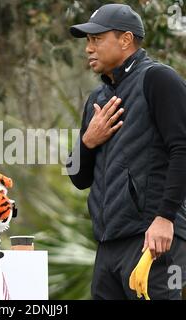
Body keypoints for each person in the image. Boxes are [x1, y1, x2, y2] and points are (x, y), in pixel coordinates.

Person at [67, 3, 186, 299]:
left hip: (153, 239)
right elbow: (78, 177)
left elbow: (182, 149)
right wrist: (87, 142)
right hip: (108, 246)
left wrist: (164, 218)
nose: (88, 49)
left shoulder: (158, 79)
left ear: (125, 40)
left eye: (97, 39)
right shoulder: (97, 97)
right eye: (87, 42)